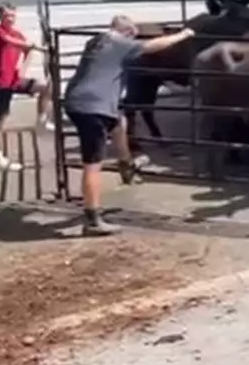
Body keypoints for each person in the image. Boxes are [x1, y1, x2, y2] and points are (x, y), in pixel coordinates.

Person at [62, 15, 196, 236]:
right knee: (92, 164)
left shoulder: (96, 41)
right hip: (93, 107)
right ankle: (92, 219)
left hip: (79, 101)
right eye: (132, 35)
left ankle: (126, 163)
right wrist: (183, 35)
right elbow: (153, 46)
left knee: (118, 122)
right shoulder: (120, 43)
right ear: (127, 33)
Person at [0, 2, 54, 172]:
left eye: (13, 15)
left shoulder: (17, 33)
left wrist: (21, 70)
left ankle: (41, 121)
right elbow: (11, 41)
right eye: (7, 15)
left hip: (13, 80)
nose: (10, 18)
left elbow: (27, 50)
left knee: (46, 86)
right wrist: (37, 47)